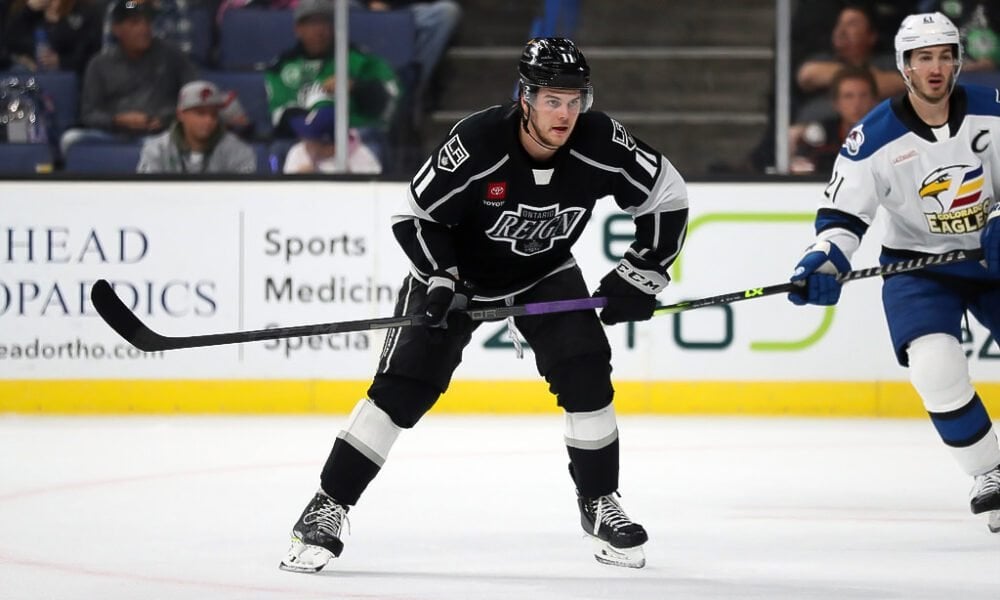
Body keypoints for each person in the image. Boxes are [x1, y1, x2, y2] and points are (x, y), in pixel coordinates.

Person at [277, 37, 689, 573]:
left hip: (544, 272)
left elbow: (666, 194)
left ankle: (600, 503)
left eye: (575, 101)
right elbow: (415, 216)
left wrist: (642, 273)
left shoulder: (600, 141)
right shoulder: (478, 143)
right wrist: (441, 279)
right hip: (458, 275)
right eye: (552, 101)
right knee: (403, 388)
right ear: (525, 98)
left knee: (586, 370)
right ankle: (326, 505)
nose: (565, 115)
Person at [788, 11, 1000, 534]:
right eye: (924, 58)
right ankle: (990, 472)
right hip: (918, 268)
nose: (936, 68)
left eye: (945, 56)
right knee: (934, 368)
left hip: (994, 261)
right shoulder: (872, 137)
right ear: (904, 66)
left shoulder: (994, 110)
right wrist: (823, 259)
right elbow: (842, 218)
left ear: (958, 61)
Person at [60, 0, 196, 155]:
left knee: (175, 143)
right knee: (70, 139)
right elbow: (89, 114)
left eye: (147, 22)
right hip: (113, 134)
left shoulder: (172, 56)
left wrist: (165, 118)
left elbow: (192, 97)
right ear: (116, 29)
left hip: (158, 135)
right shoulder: (99, 64)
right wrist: (117, 120)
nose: (144, 29)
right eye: (135, 23)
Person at [264, 0, 402, 137]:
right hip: (302, 140)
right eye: (312, 23)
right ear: (298, 29)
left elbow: (391, 98)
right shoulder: (282, 66)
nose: (320, 30)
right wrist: (315, 125)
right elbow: (280, 112)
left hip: (354, 137)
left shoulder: (360, 60)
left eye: (325, 22)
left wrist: (355, 87)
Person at [795, 4, 905, 122]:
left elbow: (904, 84)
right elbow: (806, 75)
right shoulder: (823, 58)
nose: (841, 30)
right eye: (839, 24)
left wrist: (832, 75)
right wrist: (873, 77)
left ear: (872, 36)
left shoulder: (888, 62)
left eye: (852, 24)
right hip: (822, 126)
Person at [136, 80, 257, 173]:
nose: (208, 120)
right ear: (180, 114)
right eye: (200, 113)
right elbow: (146, 193)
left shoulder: (237, 150)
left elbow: (243, 195)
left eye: (213, 114)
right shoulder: (157, 149)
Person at [789, 65, 879, 174]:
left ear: (874, 101)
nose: (856, 104)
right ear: (836, 103)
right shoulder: (820, 137)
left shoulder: (888, 137)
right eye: (848, 96)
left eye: (863, 96)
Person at [1, 0, 104, 76]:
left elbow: (91, 53)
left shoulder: (84, 12)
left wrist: (61, 61)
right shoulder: (28, 11)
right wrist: (28, 11)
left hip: (69, 76)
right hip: (30, 75)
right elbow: (9, 41)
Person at [282, 102, 382, 174]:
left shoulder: (362, 157)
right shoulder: (298, 152)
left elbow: (375, 193)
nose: (306, 143)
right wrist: (297, 180)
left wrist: (351, 181)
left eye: (311, 140)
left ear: (332, 146)